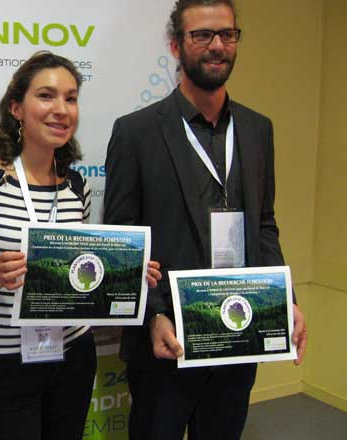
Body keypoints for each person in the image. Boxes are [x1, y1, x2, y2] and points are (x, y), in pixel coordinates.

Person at [0, 51, 161, 440]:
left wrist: (128, 276)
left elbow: (78, 275)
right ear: (17, 108)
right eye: (47, 96)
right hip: (2, 361)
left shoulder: (75, 185)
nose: (61, 109)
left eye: (71, 98)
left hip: (72, 353)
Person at [103, 1, 308, 439]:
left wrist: (285, 298)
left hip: (239, 331)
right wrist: (152, 315)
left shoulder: (257, 129)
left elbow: (265, 224)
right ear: (176, 45)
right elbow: (123, 242)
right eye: (202, 35)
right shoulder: (135, 132)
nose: (217, 46)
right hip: (167, 340)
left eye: (227, 35)